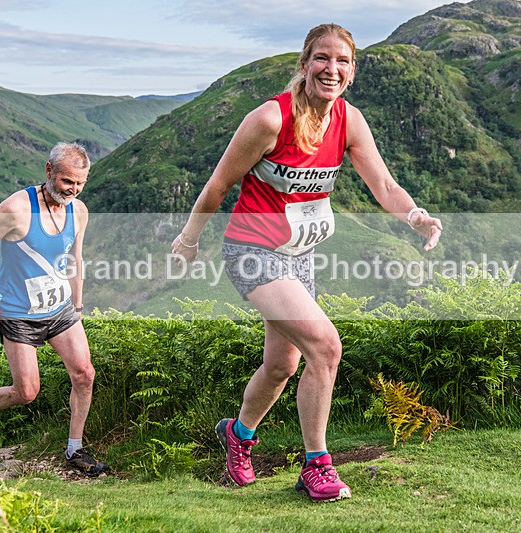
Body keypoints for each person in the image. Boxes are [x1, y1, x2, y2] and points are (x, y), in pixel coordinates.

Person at [172, 23, 443, 502]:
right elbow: (218, 186)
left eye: (342, 61)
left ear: (352, 72)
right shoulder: (269, 120)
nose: (331, 69)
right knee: (325, 346)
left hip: (300, 255)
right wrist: (190, 240)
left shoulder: (349, 121)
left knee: (282, 364)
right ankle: (316, 464)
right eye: (322, 58)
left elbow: (383, 185)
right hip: (252, 252)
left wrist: (416, 216)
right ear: (304, 64)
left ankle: (239, 434)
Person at [0, 142, 107, 477]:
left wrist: (78, 304)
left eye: (80, 183)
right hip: (18, 313)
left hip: (60, 310)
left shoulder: (78, 210)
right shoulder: (16, 208)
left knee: (84, 374)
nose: (72, 189)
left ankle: (75, 448)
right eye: (66, 181)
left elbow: (74, 259)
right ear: (49, 171)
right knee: (26, 392)